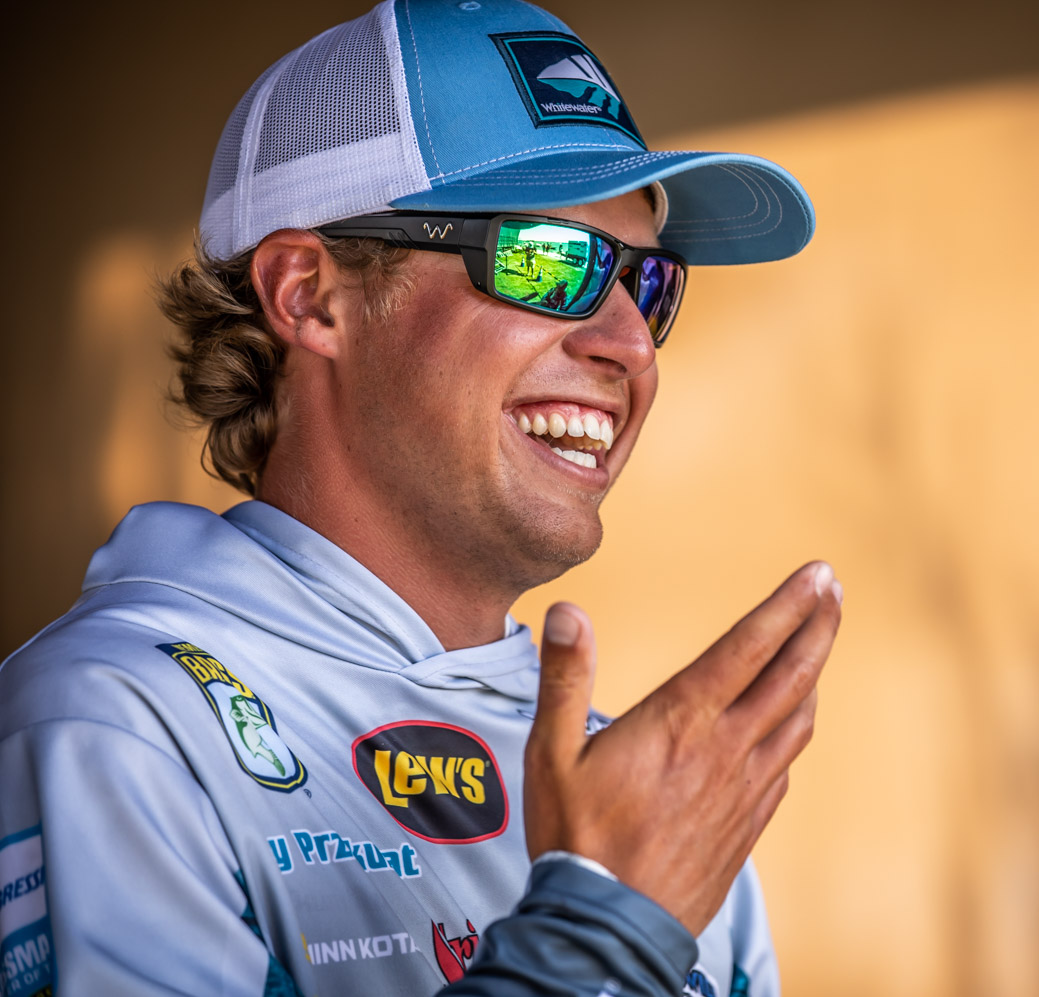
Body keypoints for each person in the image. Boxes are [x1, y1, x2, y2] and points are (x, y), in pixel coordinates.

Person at [0, 3, 836, 997]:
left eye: (648, 283)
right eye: (546, 260)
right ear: (309, 294)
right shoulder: (113, 724)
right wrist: (599, 933)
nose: (630, 345)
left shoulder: (659, 805)